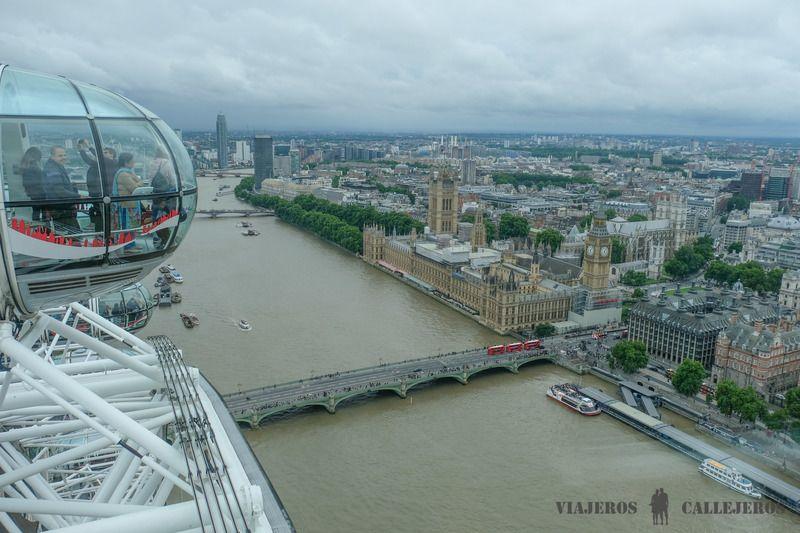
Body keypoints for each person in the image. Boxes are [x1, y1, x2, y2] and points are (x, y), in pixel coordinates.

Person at [43, 146, 80, 228]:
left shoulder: (57, 166)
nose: (63, 157)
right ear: (52, 156)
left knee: (65, 233)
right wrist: (78, 196)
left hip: (61, 207)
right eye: (60, 156)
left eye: (64, 155)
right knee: (74, 235)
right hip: (61, 209)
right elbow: (59, 191)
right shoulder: (53, 169)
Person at [112, 152, 143, 232]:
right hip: (127, 205)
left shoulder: (129, 172)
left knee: (131, 226)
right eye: (132, 161)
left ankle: (130, 243)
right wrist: (139, 183)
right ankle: (128, 244)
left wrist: (138, 182)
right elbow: (135, 188)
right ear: (126, 162)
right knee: (128, 226)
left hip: (129, 205)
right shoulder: (123, 174)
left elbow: (139, 183)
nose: (134, 163)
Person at [19, 147, 44, 221]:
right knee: (43, 214)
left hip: (34, 194)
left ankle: (38, 229)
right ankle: (44, 231)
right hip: (39, 194)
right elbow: (39, 181)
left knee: (36, 213)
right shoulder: (33, 167)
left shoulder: (26, 165)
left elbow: (27, 183)